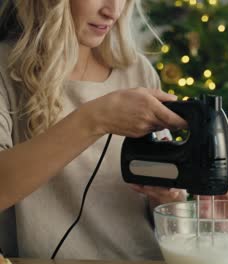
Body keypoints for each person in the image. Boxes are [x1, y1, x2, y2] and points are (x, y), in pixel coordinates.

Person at [0, 0, 188, 260]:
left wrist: (167, 197)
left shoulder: (137, 71)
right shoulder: (5, 71)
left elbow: (166, 220)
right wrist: (95, 119)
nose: (113, 10)